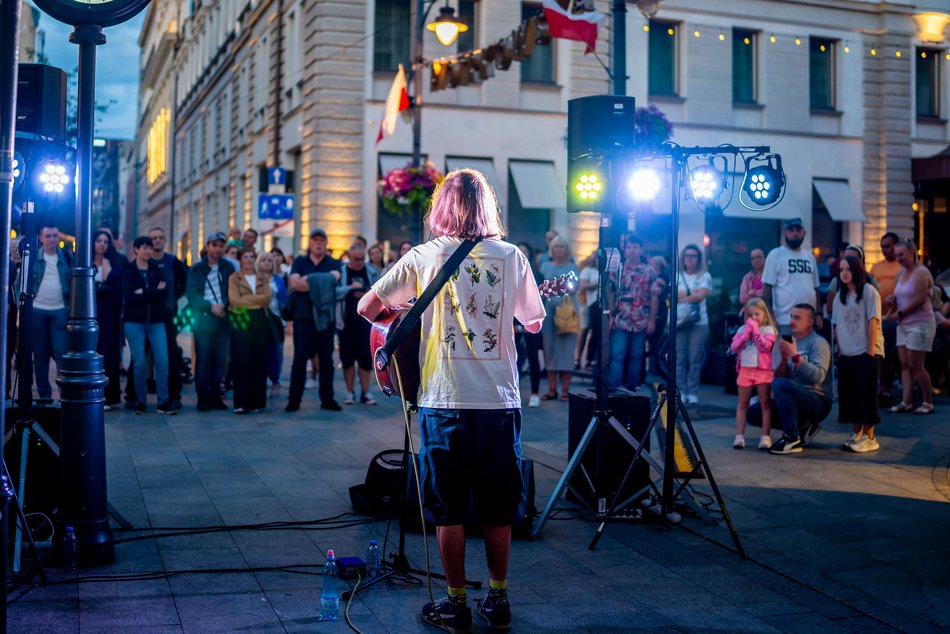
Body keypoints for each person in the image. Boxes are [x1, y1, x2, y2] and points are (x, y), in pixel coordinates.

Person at [357, 168, 545, 634]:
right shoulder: (511, 255)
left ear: (442, 207)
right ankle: (498, 599)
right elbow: (534, 322)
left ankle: (456, 603)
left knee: (449, 508)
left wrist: (409, 308)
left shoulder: (424, 255)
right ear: (487, 207)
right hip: (500, 401)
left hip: (444, 398)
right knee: (500, 507)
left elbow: (366, 308)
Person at [747, 304, 832, 455]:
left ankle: (791, 437)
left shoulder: (818, 343)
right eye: (791, 316)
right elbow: (781, 378)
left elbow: (818, 376)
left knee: (781, 385)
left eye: (797, 317)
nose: (792, 321)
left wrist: (795, 356)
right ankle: (804, 427)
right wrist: (784, 360)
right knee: (753, 412)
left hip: (817, 400)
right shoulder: (792, 342)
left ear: (810, 322)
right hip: (795, 397)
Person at [286, 228, 342, 412]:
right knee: (299, 360)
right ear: (309, 243)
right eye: (315, 240)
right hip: (303, 318)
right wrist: (321, 282)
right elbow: (295, 283)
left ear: (326, 243)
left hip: (326, 319)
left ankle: (328, 399)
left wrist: (307, 281)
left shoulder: (333, 262)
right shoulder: (300, 261)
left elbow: (334, 280)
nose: (318, 243)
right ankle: (294, 400)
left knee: (326, 360)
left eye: (321, 240)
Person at [832, 256, 884, 452]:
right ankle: (857, 435)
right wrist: (840, 349)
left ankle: (870, 438)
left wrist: (870, 351)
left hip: (865, 351)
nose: (844, 273)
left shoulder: (869, 292)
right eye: (841, 269)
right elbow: (836, 324)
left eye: (848, 269)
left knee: (866, 395)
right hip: (847, 353)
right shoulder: (839, 296)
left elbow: (874, 321)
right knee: (851, 396)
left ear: (857, 270)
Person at [122, 236, 174, 415]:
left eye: (150, 248)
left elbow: (164, 293)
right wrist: (152, 292)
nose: (148, 251)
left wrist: (143, 293)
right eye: (144, 247)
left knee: (163, 360)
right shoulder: (128, 270)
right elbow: (129, 296)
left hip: (156, 321)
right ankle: (140, 400)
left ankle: (163, 400)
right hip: (134, 322)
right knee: (139, 363)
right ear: (136, 249)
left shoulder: (156, 270)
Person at [186, 232, 236, 411]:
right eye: (214, 245)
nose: (217, 248)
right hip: (203, 319)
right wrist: (210, 306)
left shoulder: (228, 267)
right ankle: (203, 398)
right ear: (207, 246)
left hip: (223, 318)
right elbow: (192, 294)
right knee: (203, 359)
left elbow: (233, 291)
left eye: (221, 245)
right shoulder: (197, 268)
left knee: (219, 360)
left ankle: (216, 396)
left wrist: (224, 305)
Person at [885, 239, 936, 415]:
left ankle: (927, 401)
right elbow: (899, 296)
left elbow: (920, 299)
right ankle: (906, 401)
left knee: (916, 365)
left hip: (920, 323)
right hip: (903, 324)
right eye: (896, 255)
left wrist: (900, 313)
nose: (898, 258)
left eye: (901, 255)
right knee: (905, 364)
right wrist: (892, 300)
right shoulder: (900, 273)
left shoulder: (921, 272)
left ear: (912, 253)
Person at [26, 224, 70, 400]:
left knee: (61, 352)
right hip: (37, 310)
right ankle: (44, 395)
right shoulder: (33, 258)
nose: (52, 239)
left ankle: (64, 393)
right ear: (41, 237)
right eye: (48, 236)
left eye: (55, 235)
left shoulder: (66, 257)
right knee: (40, 353)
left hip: (59, 310)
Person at [147, 227, 188, 412]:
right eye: (153, 238)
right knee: (140, 358)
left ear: (165, 241)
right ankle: (134, 396)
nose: (157, 240)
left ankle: (174, 396)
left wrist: (172, 301)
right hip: (145, 316)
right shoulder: (143, 261)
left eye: (160, 237)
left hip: (168, 316)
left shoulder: (174, 262)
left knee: (171, 357)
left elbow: (185, 284)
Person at [608, 235, 656, 392]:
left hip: (641, 318)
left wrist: (652, 320)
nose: (632, 250)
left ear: (641, 249)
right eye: (629, 247)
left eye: (635, 247)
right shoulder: (618, 269)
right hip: (621, 318)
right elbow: (612, 293)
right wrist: (610, 316)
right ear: (624, 249)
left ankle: (632, 385)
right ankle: (614, 386)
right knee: (617, 354)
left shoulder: (649, 271)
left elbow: (654, 297)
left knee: (636, 355)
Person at [729, 297, 777, 450]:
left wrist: (755, 331)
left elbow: (765, 347)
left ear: (764, 314)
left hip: (763, 371)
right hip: (745, 369)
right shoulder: (742, 330)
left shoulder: (768, 330)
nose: (753, 318)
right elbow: (734, 348)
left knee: (765, 403)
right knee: (742, 404)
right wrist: (745, 335)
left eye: (757, 314)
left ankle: (765, 436)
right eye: (750, 315)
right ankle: (739, 436)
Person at [228, 247, 271, 413]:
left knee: (260, 359)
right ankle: (241, 403)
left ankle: (257, 402)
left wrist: (246, 299)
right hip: (241, 317)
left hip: (260, 318)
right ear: (240, 260)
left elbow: (267, 299)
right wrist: (255, 301)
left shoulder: (262, 277)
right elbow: (234, 300)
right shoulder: (234, 277)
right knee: (242, 359)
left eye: (251, 256)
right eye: (244, 256)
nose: (248, 259)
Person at [763, 218, 822, 336]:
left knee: (806, 354)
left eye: (798, 230)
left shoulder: (810, 257)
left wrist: (818, 314)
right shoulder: (775, 254)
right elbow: (767, 290)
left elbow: (816, 288)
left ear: (804, 232)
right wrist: (771, 319)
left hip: (808, 321)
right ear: (785, 232)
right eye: (791, 230)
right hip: (785, 320)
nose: (795, 233)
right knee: (786, 354)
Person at [337, 243, 379, 405]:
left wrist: (366, 294)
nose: (360, 262)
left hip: (366, 324)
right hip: (345, 323)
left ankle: (365, 391)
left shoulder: (370, 271)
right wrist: (349, 288)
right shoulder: (342, 271)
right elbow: (334, 292)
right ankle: (349, 392)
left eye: (362, 259)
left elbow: (379, 291)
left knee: (365, 360)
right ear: (349, 256)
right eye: (356, 259)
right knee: (347, 360)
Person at [540, 235, 580, 401]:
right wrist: (557, 287)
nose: (559, 249)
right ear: (552, 249)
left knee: (567, 351)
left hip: (569, 312)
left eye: (562, 246)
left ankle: (565, 390)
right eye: (556, 246)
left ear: (567, 249)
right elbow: (541, 289)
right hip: (549, 312)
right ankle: (551, 389)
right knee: (550, 350)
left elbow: (573, 287)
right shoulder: (545, 266)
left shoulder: (573, 267)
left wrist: (552, 288)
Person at [676, 244, 711, 404]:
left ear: (698, 258)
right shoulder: (676, 275)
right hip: (679, 321)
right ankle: (681, 391)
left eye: (693, 255)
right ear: (683, 258)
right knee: (680, 358)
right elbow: (673, 295)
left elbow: (702, 295)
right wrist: (692, 294)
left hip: (699, 321)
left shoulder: (705, 276)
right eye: (687, 255)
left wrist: (683, 296)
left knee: (694, 358)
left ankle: (692, 391)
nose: (690, 258)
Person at [870, 232, 903, 405]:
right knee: (882, 356)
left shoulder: (902, 266)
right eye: (882, 246)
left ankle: (895, 388)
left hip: (896, 318)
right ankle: (884, 390)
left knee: (892, 356)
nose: (884, 250)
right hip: (879, 317)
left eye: (887, 246)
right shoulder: (876, 267)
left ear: (896, 246)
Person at [93, 229, 124, 409]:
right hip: (89, 316)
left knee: (108, 354)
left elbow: (115, 289)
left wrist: (99, 289)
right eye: (98, 241)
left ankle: (108, 395)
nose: (102, 244)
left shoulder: (113, 263)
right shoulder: (85, 262)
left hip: (108, 317)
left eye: (105, 241)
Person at [516, 241, 544, 407]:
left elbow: (540, 304)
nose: (522, 254)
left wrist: (531, 322)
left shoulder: (538, 276)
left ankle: (535, 393)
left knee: (533, 357)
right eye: (519, 251)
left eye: (525, 251)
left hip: (531, 323)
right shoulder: (508, 272)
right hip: (513, 324)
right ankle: (515, 392)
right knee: (515, 360)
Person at [256, 251, 287, 394]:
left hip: (276, 320)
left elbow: (284, 301)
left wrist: (287, 321)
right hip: (258, 321)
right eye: (263, 260)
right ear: (258, 263)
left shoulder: (278, 279)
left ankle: (275, 379)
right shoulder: (253, 279)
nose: (267, 262)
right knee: (260, 353)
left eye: (269, 260)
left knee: (276, 353)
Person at [824, 244, 879, 318]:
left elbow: (876, 309)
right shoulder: (836, 282)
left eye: (852, 259)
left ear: (860, 261)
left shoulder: (870, 282)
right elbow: (829, 308)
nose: (848, 262)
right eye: (846, 258)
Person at [577, 251, 599, 369]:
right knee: (590, 331)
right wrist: (599, 282)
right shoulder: (588, 270)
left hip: (604, 304)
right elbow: (583, 286)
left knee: (600, 332)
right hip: (590, 303)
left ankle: (595, 358)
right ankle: (586, 359)